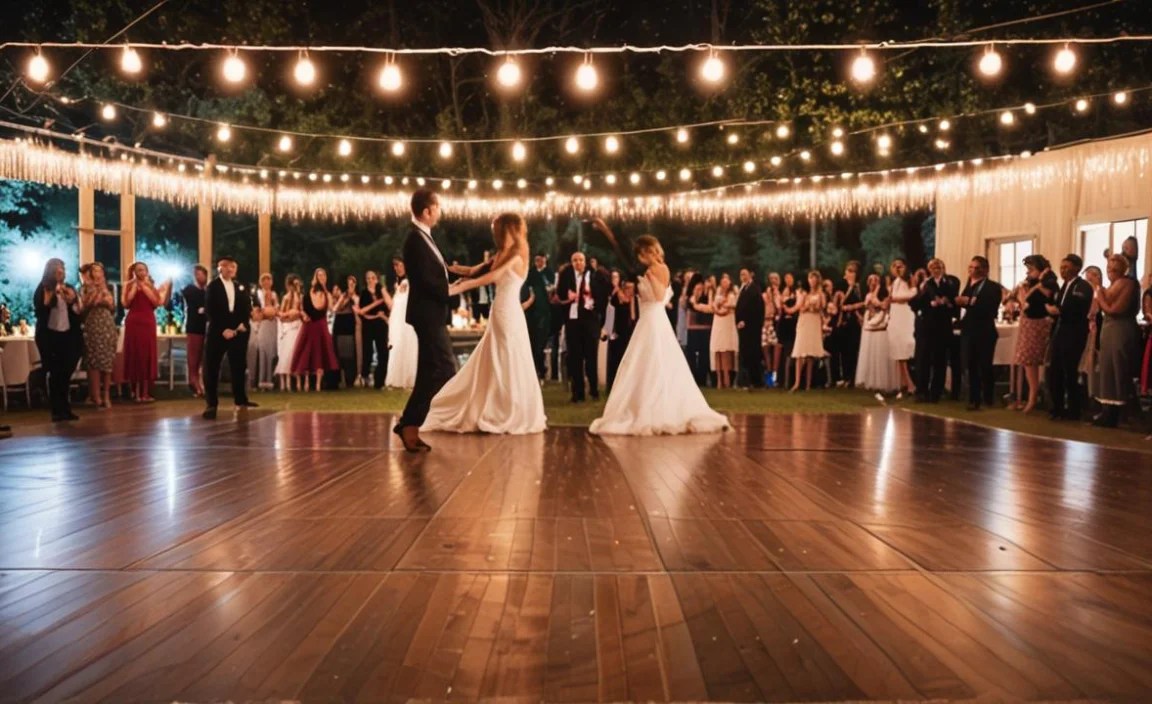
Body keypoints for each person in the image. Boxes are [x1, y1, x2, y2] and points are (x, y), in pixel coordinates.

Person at [589, 228, 729, 435]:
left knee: (657, 361)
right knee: (639, 363)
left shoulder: (660, 269)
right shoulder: (643, 270)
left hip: (655, 319)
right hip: (646, 320)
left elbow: (659, 296)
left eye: (646, 253)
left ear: (651, 252)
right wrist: (606, 231)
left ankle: (661, 408)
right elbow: (623, 251)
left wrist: (650, 277)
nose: (644, 257)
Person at [421, 213, 546, 434]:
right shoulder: (501, 254)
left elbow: (492, 278)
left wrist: (458, 288)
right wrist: (449, 268)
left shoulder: (518, 254)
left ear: (508, 229)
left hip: (509, 312)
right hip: (499, 311)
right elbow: (474, 271)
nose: (494, 232)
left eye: (497, 228)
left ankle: (504, 409)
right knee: (494, 356)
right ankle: (492, 405)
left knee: (506, 356)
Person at [393, 189, 457, 452]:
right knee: (444, 368)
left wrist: (456, 279)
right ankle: (410, 422)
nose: (440, 212)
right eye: (437, 207)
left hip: (433, 313)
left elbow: (438, 273)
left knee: (430, 371)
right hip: (427, 315)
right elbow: (426, 280)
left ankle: (409, 426)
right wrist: (451, 291)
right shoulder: (414, 239)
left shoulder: (425, 238)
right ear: (427, 211)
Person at [201, 256, 257, 420]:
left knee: (238, 367)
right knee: (212, 367)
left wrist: (240, 325)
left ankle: (241, 399)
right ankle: (211, 404)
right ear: (220, 268)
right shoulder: (213, 286)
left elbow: (246, 306)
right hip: (218, 333)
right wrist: (223, 329)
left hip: (238, 333)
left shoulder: (239, 286)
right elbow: (211, 310)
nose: (230, 269)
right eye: (226, 266)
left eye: (233, 267)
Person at [1091, 254, 1141, 427]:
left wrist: (1099, 292)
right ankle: (1108, 410)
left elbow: (1114, 309)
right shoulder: (1111, 285)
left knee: (1119, 369)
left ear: (1123, 268)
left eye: (1115, 266)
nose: (1111, 269)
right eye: (1109, 266)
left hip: (1121, 330)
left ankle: (1123, 414)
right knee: (1107, 370)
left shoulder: (1129, 283)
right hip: (1108, 330)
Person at [33, 258, 83, 421]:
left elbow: (78, 310)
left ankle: (66, 408)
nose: (61, 272)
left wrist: (73, 299)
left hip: (68, 335)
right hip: (50, 335)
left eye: (63, 269)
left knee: (66, 373)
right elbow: (42, 307)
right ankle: (56, 410)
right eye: (58, 269)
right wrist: (54, 291)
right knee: (55, 373)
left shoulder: (69, 288)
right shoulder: (44, 288)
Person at [557, 250, 609, 402]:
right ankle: (577, 393)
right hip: (573, 319)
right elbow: (559, 294)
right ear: (572, 262)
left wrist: (597, 309)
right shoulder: (566, 275)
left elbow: (603, 294)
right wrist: (568, 296)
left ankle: (593, 390)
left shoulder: (594, 275)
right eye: (575, 260)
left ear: (585, 262)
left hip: (590, 319)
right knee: (574, 357)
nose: (578, 263)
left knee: (591, 356)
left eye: (580, 260)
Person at [1046, 254, 1093, 421]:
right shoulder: (1064, 286)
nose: (1063, 270)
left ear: (1077, 268)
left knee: (1070, 372)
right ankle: (1057, 407)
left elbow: (1079, 307)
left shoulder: (1083, 286)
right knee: (1055, 371)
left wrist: (1060, 311)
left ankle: (1074, 410)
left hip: (1074, 334)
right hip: (1060, 333)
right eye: (1062, 267)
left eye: (1066, 267)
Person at [1011, 255, 1057, 413]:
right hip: (1028, 323)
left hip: (1038, 325)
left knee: (1033, 361)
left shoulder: (1048, 284)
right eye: (1028, 269)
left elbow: (1028, 302)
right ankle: (1030, 395)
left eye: (1031, 269)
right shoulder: (1030, 284)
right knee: (1027, 362)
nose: (1028, 273)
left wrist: (1026, 291)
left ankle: (1034, 397)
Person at [955, 256, 1002, 410]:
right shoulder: (968, 286)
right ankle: (973, 399)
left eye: (977, 268)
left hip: (985, 331)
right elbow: (964, 305)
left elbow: (990, 307)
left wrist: (969, 302)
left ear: (986, 269)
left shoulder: (992, 287)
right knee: (971, 365)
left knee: (985, 365)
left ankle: (988, 398)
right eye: (971, 267)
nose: (973, 271)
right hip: (969, 331)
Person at [121, 262, 171, 403]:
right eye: (138, 270)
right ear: (134, 272)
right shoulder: (128, 285)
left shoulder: (151, 285)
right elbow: (125, 303)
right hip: (133, 321)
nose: (141, 272)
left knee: (146, 354)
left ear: (147, 271)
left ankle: (145, 392)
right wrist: (134, 288)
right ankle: (134, 391)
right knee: (135, 353)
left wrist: (145, 286)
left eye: (143, 270)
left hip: (148, 321)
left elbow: (157, 303)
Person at [912, 258, 958, 402]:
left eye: (938, 267)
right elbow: (916, 304)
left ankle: (936, 392)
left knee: (940, 360)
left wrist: (946, 302)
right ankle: (922, 391)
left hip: (943, 326)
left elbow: (955, 304)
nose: (935, 270)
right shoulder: (926, 284)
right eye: (932, 267)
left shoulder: (950, 283)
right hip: (927, 326)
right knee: (923, 359)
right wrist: (930, 303)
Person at [291, 267, 340, 391]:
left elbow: (330, 308)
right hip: (309, 325)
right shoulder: (310, 292)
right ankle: (306, 382)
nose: (322, 277)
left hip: (321, 325)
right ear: (315, 277)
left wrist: (325, 289)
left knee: (321, 353)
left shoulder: (327, 293)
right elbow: (302, 307)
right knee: (307, 352)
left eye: (324, 275)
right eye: (319, 275)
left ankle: (318, 383)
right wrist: (303, 315)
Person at [80, 262, 117, 409]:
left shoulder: (108, 287)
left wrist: (103, 296)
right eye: (95, 270)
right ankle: (95, 396)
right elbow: (87, 304)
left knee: (107, 361)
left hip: (107, 324)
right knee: (94, 360)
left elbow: (112, 306)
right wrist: (97, 293)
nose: (99, 273)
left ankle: (107, 395)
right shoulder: (86, 287)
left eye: (101, 270)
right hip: (93, 323)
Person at [855, 273, 900, 392]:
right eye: (870, 282)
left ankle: (881, 380)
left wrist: (880, 289)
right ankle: (869, 378)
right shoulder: (869, 295)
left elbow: (881, 304)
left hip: (881, 322)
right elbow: (869, 303)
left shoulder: (884, 295)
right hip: (869, 321)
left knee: (880, 349)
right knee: (869, 349)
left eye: (875, 281)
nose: (872, 284)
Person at [788, 270, 827, 392]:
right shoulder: (804, 293)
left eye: (814, 278)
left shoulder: (820, 293)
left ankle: (808, 384)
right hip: (804, 321)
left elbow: (821, 307)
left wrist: (813, 306)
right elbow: (800, 307)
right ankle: (797, 382)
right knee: (800, 352)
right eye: (810, 278)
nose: (812, 281)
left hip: (814, 321)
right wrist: (806, 305)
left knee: (810, 354)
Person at [385, 258, 419, 389]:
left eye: (398, 265)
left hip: (405, 322)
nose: (396, 268)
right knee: (397, 346)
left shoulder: (407, 282)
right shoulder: (399, 283)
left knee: (407, 346)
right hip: (398, 321)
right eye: (395, 266)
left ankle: (408, 379)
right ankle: (397, 378)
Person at [829, 262, 864, 388]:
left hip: (855, 322)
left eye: (853, 271)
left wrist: (855, 306)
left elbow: (863, 302)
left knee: (853, 350)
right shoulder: (841, 285)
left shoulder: (859, 287)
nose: (850, 273)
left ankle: (851, 377)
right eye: (848, 270)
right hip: (841, 321)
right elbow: (838, 303)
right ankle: (840, 377)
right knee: (841, 351)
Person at [886, 258, 917, 398]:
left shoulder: (909, 279)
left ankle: (911, 384)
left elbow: (913, 293)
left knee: (905, 349)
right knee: (898, 351)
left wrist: (897, 298)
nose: (898, 268)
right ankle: (904, 383)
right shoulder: (895, 282)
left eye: (900, 266)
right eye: (895, 266)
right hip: (896, 315)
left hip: (905, 315)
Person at [356, 270, 392, 389]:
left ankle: (380, 380)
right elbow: (361, 311)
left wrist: (382, 290)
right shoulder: (364, 293)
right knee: (368, 351)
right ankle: (365, 376)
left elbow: (390, 306)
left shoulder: (381, 291)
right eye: (368, 278)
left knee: (383, 351)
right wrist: (376, 304)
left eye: (373, 278)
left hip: (381, 324)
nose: (371, 280)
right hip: (368, 324)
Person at [523, 253, 553, 380]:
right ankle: (535, 368)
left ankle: (541, 369)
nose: (538, 262)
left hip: (544, 312)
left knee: (541, 343)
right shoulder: (531, 273)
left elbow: (551, 288)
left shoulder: (549, 273)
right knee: (533, 342)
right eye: (536, 260)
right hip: (532, 313)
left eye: (540, 260)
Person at [605, 274, 637, 393]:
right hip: (618, 333)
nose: (630, 291)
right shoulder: (616, 298)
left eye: (632, 289)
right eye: (627, 288)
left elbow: (634, 317)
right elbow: (610, 315)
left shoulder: (635, 300)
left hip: (631, 333)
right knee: (616, 360)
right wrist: (610, 331)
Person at [734, 268, 765, 389]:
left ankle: (755, 381)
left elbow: (756, 309)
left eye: (745, 274)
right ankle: (745, 381)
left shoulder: (754, 290)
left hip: (752, 328)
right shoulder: (743, 289)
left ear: (750, 275)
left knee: (752, 354)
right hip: (743, 328)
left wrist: (745, 321)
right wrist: (738, 321)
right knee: (744, 353)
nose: (743, 276)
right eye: (741, 274)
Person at [182, 265, 209, 397]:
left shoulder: (208, 291)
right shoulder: (190, 290)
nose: (199, 277)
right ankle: (194, 384)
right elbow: (192, 304)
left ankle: (203, 385)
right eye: (196, 274)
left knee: (204, 359)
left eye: (201, 274)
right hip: (194, 328)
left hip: (206, 329)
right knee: (193, 359)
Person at [709, 273, 738, 389]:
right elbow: (713, 305)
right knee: (717, 349)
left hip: (727, 322)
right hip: (718, 323)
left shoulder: (732, 294)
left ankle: (727, 379)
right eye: (723, 282)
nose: (724, 284)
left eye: (727, 282)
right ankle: (719, 380)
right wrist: (717, 308)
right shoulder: (718, 293)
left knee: (726, 349)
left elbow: (733, 305)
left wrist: (723, 308)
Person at [251, 273, 279, 391]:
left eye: (269, 280)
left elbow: (276, 308)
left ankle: (270, 381)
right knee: (262, 351)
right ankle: (261, 381)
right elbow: (256, 311)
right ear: (260, 282)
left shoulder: (274, 294)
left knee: (271, 352)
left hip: (272, 324)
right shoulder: (256, 294)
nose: (267, 282)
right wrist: (265, 312)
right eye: (264, 280)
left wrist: (271, 310)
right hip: (261, 324)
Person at [276, 274, 304, 391]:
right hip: (288, 327)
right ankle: (285, 380)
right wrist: (288, 315)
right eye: (294, 285)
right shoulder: (286, 298)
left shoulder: (301, 297)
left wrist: (298, 313)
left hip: (298, 325)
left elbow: (302, 311)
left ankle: (298, 380)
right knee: (287, 353)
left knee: (297, 352)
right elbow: (281, 314)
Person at [332, 276, 358, 388]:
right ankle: (337, 379)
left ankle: (349, 379)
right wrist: (344, 296)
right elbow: (335, 308)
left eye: (353, 284)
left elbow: (358, 303)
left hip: (349, 324)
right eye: (349, 283)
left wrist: (352, 295)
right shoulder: (340, 295)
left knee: (349, 353)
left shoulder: (355, 296)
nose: (350, 286)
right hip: (339, 324)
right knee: (337, 352)